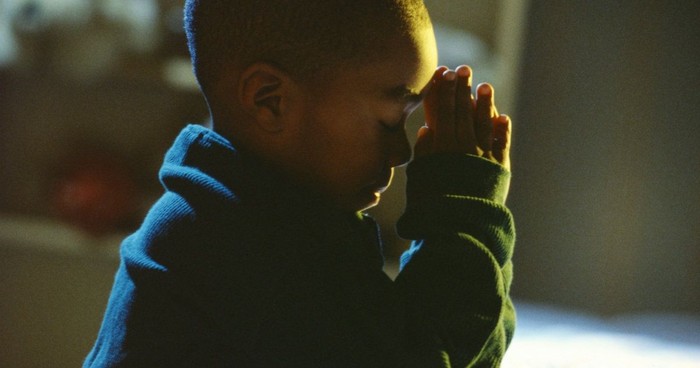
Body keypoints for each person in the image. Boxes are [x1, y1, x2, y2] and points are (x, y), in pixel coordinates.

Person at [84, 0, 515, 367]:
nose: (402, 152)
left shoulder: (223, 214)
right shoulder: (250, 254)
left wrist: (481, 231)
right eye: (389, 121)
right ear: (269, 101)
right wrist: (466, 210)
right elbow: (428, 353)